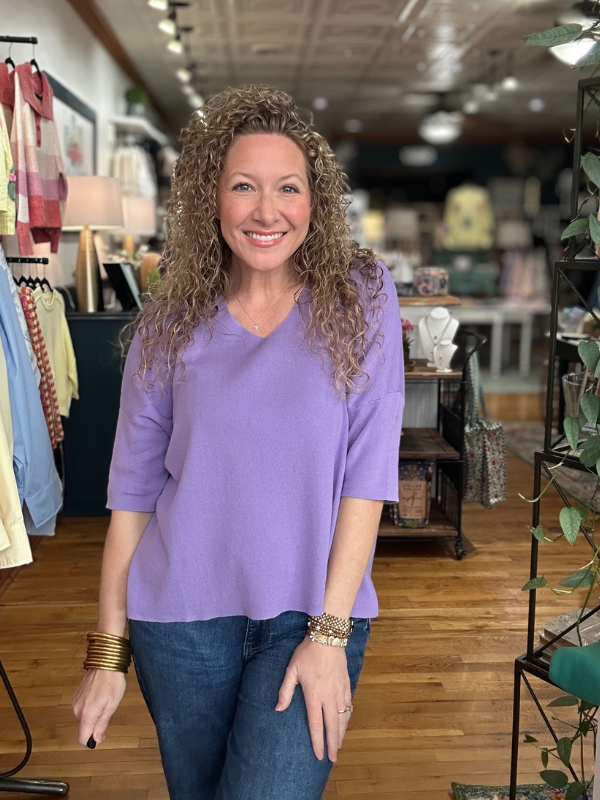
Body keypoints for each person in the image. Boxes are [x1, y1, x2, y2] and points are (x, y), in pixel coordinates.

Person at [72, 84, 404, 800]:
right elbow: (132, 496)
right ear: (211, 199)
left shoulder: (362, 295)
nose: (266, 210)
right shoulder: (168, 325)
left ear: (314, 203)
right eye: (244, 186)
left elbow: (368, 475)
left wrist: (329, 634)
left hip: (311, 614)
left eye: (288, 188)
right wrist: (107, 652)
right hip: (179, 624)